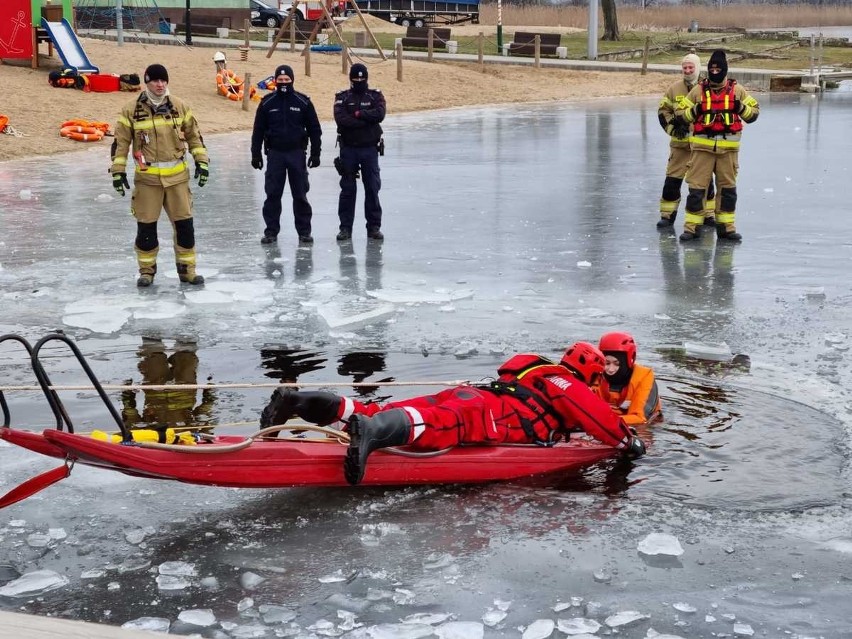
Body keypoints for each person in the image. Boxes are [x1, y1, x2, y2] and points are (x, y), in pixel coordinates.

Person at [260, 342, 646, 485]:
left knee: (391, 409)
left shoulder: (535, 369)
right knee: (442, 425)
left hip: (473, 394)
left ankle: (299, 402)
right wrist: (627, 441)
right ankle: (374, 431)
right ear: (589, 372)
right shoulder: (568, 382)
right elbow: (595, 417)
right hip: (494, 413)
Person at [110, 63, 209, 287]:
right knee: (146, 229)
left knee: (185, 227)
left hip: (178, 180)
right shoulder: (130, 109)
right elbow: (121, 143)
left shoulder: (180, 106)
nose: (160, 84)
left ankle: (187, 271)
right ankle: (146, 272)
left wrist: (201, 162)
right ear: (147, 82)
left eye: (163, 80)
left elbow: (194, 136)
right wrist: (118, 171)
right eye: (155, 80)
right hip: (147, 182)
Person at [676, 49, 760, 243]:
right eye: (711, 68)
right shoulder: (698, 91)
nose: (715, 72)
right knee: (697, 190)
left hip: (728, 152)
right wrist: (696, 110)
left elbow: (754, 113)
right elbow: (680, 114)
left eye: (718, 68)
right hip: (701, 150)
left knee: (728, 191)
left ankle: (727, 229)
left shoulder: (737, 91)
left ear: (725, 70)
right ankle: (691, 228)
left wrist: (740, 108)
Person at [251, 64, 322, 246]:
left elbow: (315, 129)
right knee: (273, 195)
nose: (283, 83)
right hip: (275, 155)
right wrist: (256, 154)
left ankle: (304, 232)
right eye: (280, 80)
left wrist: (315, 153)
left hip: (296, 154)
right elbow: (258, 130)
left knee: (300, 195)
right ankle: (271, 232)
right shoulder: (267, 103)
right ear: (275, 81)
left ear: (292, 80)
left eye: (287, 80)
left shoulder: (302, 101)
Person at [656, 53, 716, 230]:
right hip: (680, 147)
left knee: (704, 183)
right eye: (685, 68)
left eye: (691, 68)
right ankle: (667, 216)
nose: (688, 71)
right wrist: (673, 129)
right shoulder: (674, 89)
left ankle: (708, 215)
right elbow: (663, 112)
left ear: (697, 68)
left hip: (701, 146)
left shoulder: (709, 88)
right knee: (672, 182)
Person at [333, 63, 386, 242]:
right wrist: (365, 119)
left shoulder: (375, 95)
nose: (359, 81)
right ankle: (345, 228)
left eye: (362, 79)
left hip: (370, 149)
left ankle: (374, 227)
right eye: (356, 78)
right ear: (350, 79)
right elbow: (341, 120)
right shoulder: (342, 97)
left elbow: (380, 114)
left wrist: (357, 115)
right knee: (348, 190)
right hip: (348, 149)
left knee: (372, 188)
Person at [597, 332, 662, 426]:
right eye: (607, 363)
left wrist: (602, 421)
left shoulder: (643, 377)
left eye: (617, 364)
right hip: (605, 420)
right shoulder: (595, 374)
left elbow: (640, 418)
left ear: (628, 360)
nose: (611, 369)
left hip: (643, 425)